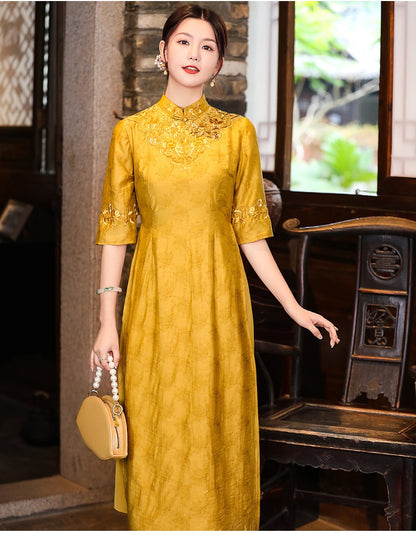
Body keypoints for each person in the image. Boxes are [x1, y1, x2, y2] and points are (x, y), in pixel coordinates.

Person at [91, 4, 339, 530]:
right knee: (158, 420)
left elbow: (252, 234)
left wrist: (295, 307)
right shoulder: (130, 135)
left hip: (219, 304)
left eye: (207, 47)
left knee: (215, 423)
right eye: (184, 42)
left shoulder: (237, 134)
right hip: (153, 302)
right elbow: (116, 231)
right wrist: (106, 321)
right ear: (162, 52)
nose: (194, 54)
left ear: (219, 63)